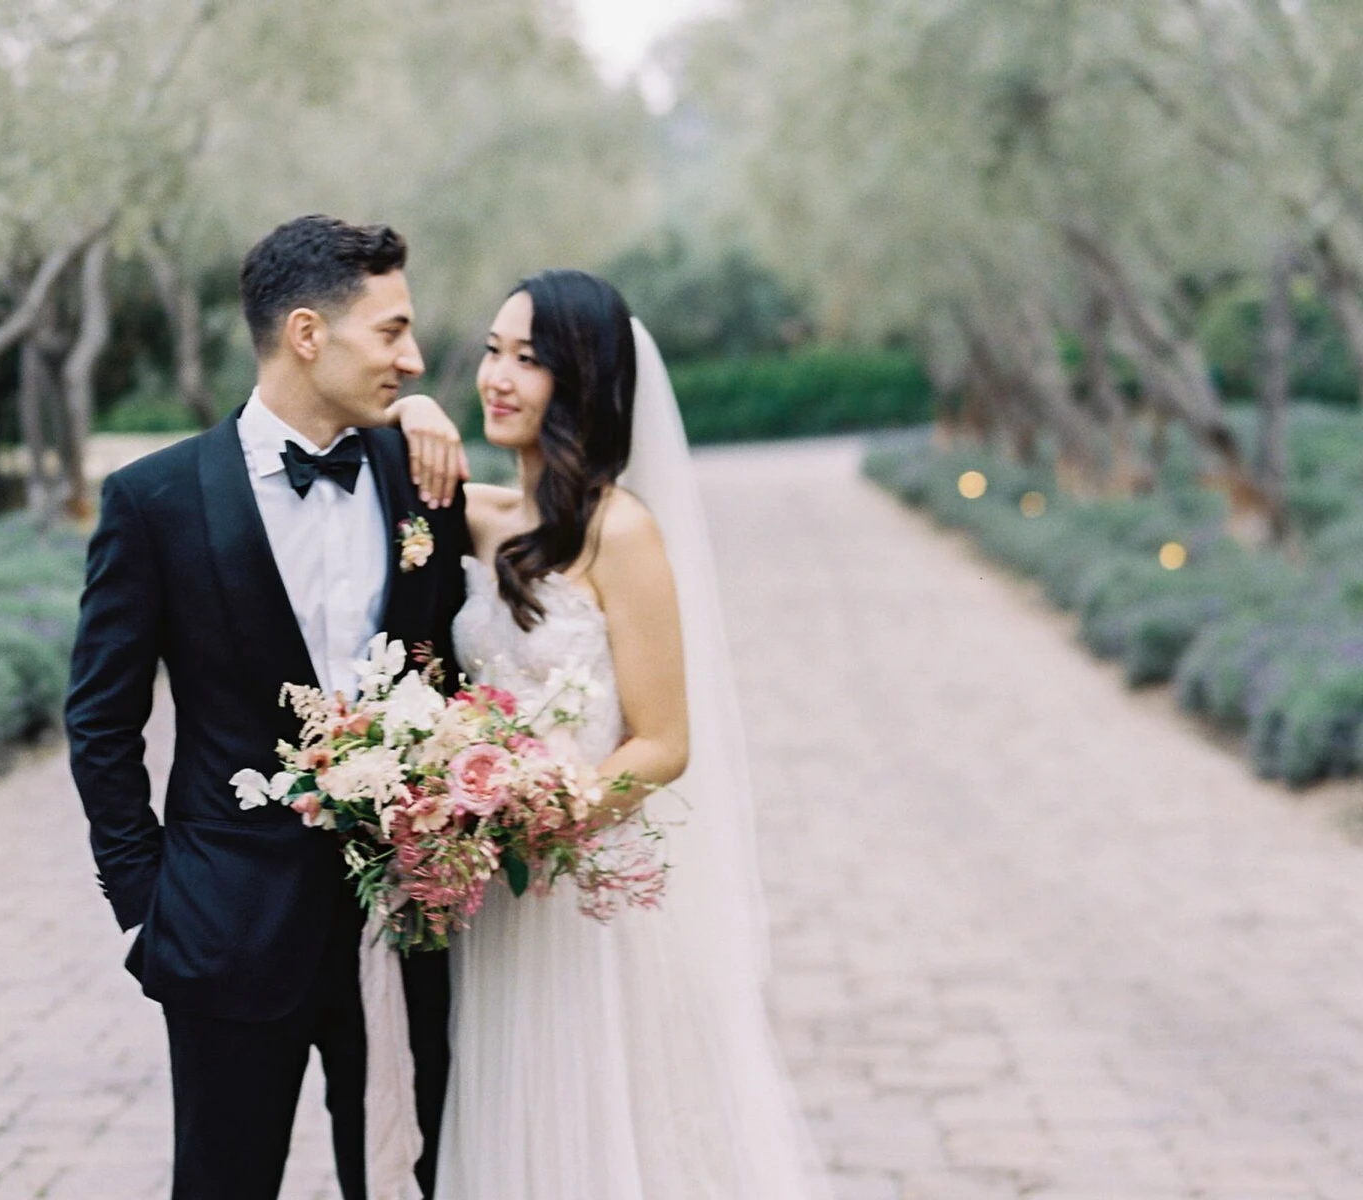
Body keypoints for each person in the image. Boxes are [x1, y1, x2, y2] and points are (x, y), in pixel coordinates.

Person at [64, 214, 472, 1200]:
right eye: (390, 332)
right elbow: (101, 722)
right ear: (305, 334)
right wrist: (140, 912)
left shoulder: (423, 483)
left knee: (401, 1181)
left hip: (401, 925)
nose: (412, 360)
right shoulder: (153, 502)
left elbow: (451, 668)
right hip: (222, 929)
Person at [433, 270, 826, 1196]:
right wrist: (415, 407)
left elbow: (662, 740)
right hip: (492, 900)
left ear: (582, 380)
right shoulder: (482, 518)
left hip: (576, 891)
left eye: (528, 360)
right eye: (492, 352)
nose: (497, 376)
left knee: (603, 1129)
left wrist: (543, 820)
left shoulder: (624, 532)